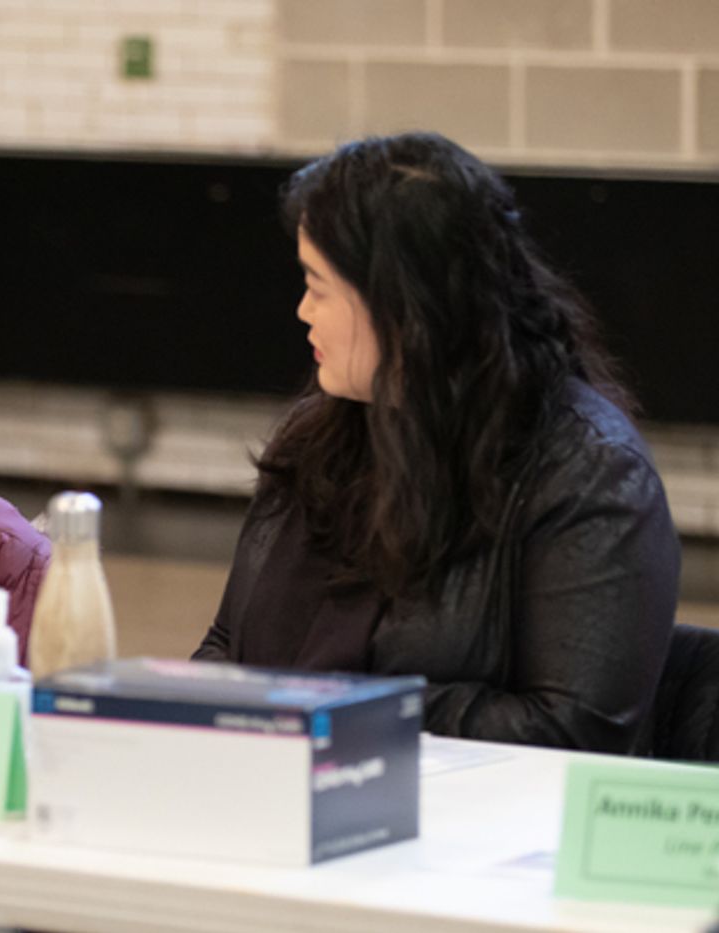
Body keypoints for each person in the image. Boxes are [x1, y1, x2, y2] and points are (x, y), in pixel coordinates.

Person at [193, 132, 680, 754]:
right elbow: (226, 646)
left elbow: (570, 730)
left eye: (318, 287)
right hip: (283, 802)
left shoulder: (592, 477)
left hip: (469, 834)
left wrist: (336, 706)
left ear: (401, 307)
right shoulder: (319, 436)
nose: (301, 311)